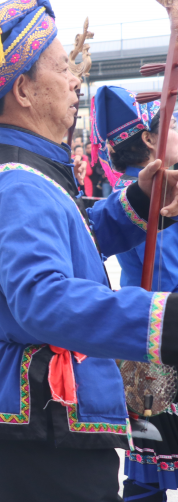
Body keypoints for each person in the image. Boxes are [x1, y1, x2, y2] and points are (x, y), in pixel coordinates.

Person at [0, 0, 178, 501]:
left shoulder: (28, 171)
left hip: (40, 412)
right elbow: (44, 299)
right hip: (46, 413)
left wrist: (140, 200)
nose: (76, 79)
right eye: (60, 67)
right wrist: (164, 320)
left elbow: (79, 238)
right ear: (24, 92)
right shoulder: (17, 183)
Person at [91, 85, 178, 501]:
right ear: (149, 138)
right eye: (170, 126)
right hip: (167, 332)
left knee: (145, 466)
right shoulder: (158, 193)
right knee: (150, 461)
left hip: (139, 330)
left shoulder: (125, 191)